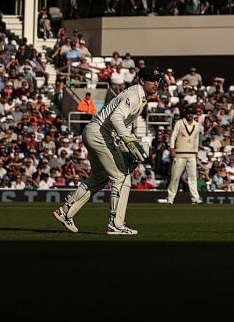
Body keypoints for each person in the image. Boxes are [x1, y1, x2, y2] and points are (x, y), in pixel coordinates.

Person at [55, 66, 157, 235]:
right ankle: (115, 224)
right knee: (121, 177)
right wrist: (129, 140)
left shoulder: (140, 96)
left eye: (157, 80)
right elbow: (116, 117)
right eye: (151, 80)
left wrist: (127, 145)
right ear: (141, 80)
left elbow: (125, 122)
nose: (155, 83)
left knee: (99, 177)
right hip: (99, 134)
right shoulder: (134, 95)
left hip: (94, 133)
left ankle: (65, 211)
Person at [161, 105, 203, 205]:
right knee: (175, 177)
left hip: (192, 155)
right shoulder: (179, 123)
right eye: (188, 113)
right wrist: (172, 148)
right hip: (180, 154)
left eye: (192, 113)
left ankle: (195, 198)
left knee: (193, 177)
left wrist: (196, 155)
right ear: (185, 114)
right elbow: (173, 136)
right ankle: (170, 198)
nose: (190, 115)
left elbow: (196, 140)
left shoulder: (196, 125)